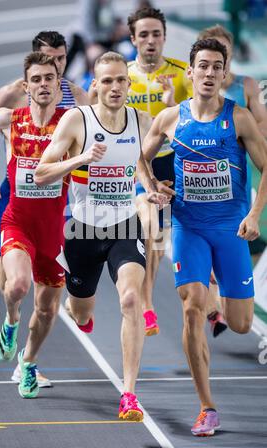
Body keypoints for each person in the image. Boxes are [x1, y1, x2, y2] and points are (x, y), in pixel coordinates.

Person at [34, 51, 172, 420]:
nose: (113, 87)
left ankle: (129, 395)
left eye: (119, 80)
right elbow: (42, 173)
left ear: (129, 84)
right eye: (106, 80)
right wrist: (78, 160)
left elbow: (140, 165)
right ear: (95, 85)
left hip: (125, 225)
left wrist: (150, 188)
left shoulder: (140, 120)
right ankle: (78, 309)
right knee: (81, 314)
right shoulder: (77, 121)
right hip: (82, 229)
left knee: (131, 301)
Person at [142, 38, 267, 436]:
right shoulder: (170, 119)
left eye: (218, 67)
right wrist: (152, 187)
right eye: (203, 66)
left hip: (231, 230)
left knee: (242, 324)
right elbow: (140, 161)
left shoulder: (240, 118)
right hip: (189, 226)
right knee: (191, 305)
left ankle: (220, 304)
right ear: (190, 72)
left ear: (225, 73)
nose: (210, 73)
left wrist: (253, 214)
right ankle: (207, 407)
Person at [0, 31, 89, 387]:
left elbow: (107, 136)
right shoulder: (10, 112)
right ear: (27, 84)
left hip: (55, 224)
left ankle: (29, 362)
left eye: (51, 76)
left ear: (59, 77)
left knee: (48, 308)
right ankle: (10, 321)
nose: (45, 83)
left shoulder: (74, 116)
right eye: (37, 78)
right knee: (16, 286)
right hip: (16, 214)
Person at [126, 7, 193, 335]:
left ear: (165, 37)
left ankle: (206, 306)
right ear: (133, 39)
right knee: (150, 226)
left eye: (156, 34)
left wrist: (170, 105)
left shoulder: (184, 74)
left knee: (161, 239)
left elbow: (198, 120)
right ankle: (147, 304)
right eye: (144, 34)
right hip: (135, 164)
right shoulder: (120, 77)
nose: (150, 40)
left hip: (171, 163)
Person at [198, 24, 267, 332]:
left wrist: (238, 129)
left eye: (223, 52)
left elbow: (262, 127)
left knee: (245, 241)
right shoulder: (196, 88)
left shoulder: (246, 85)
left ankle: (228, 298)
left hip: (238, 179)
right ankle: (216, 305)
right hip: (202, 184)